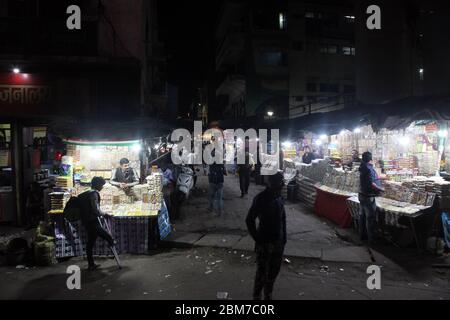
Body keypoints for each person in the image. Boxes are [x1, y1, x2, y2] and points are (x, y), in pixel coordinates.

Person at [246, 172, 286, 300]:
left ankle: (268, 294)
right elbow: (249, 220)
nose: (281, 185)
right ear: (270, 183)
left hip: (278, 243)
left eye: (281, 182)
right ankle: (256, 296)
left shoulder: (279, 197)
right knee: (262, 273)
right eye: (279, 182)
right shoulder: (261, 198)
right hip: (265, 242)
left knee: (273, 272)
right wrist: (257, 239)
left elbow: (282, 219)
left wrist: (284, 238)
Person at [79, 177, 115, 271]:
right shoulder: (94, 194)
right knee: (106, 236)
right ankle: (111, 245)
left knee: (90, 242)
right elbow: (95, 209)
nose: (102, 187)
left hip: (86, 220)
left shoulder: (87, 192)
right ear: (97, 184)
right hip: (92, 220)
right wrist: (105, 214)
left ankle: (91, 264)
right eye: (101, 185)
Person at [358, 152, 384, 244]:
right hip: (368, 196)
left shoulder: (363, 167)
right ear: (370, 159)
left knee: (362, 216)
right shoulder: (368, 169)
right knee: (370, 218)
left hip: (362, 195)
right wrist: (380, 189)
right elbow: (371, 184)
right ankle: (371, 239)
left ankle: (362, 235)